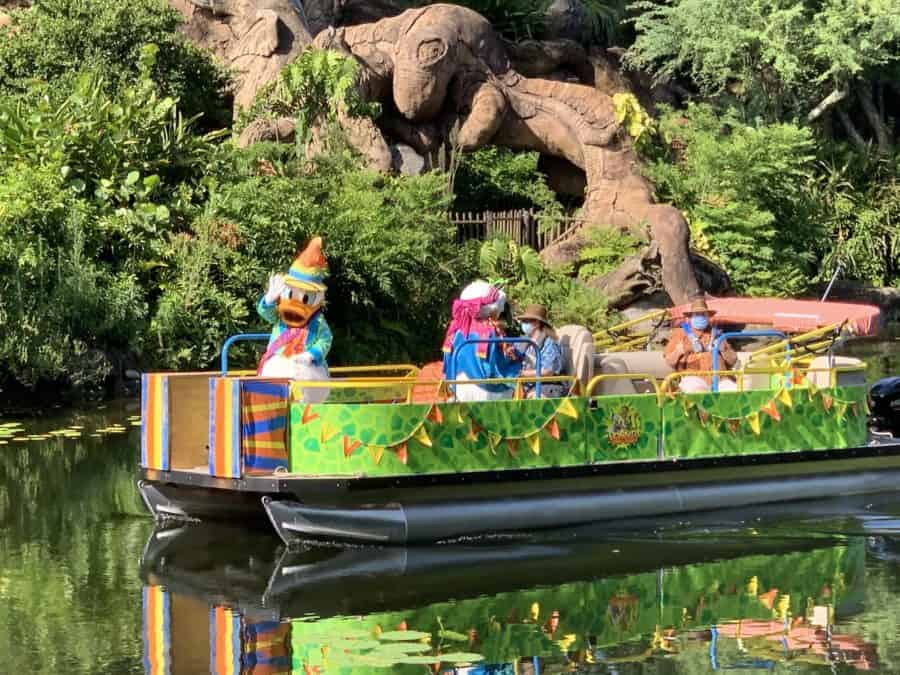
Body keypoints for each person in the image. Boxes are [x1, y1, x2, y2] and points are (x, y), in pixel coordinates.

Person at [442, 280, 521, 401]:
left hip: (458, 384)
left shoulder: (456, 329)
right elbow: (499, 362)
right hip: (486, 389)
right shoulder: (490, 330)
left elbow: (447, 360)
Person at [664, 297, 738, 393]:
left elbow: (733, 361)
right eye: (697, 314)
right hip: (693, 378)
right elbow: (669, 362)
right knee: (697, 392)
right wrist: (678, 351)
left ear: (708, 317)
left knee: (734, 391)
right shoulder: (680, 334)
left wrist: (724, 349)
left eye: (703, 314)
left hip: (720, 379)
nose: (701, 317)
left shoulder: (717, 334)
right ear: (690, 318)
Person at [514, 304, 568, 398]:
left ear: (536, 323)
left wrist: (522, 374)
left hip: (549, 385)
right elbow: (514, 355)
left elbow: (548, 371)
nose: (522, 324)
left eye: (526, 321)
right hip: (530, 384)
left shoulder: (550, 343)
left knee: (533, 398)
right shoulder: (525, 341)